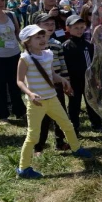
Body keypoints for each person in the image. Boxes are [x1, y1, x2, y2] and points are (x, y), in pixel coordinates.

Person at [15, 24, 92, 179]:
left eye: (43, 36)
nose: (42, 39)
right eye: (37, 37)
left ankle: (76, 148)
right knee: (33, 136)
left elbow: (51, 74)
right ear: (27, 42)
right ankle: (23, 168)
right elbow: (19, 81)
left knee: (67, 125)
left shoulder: (48, 54)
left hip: (52, 98)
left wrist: (62, 79)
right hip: (36, 103)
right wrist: (30, 93)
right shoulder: (25, 58)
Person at [63, 15, 102, 135]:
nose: (79, 30)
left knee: (92, 102)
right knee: (74, 104)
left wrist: (95, 78)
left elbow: (93, 64)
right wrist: (67, 82)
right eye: (75, 28)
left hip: (88, 80)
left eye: (81, 27)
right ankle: (74, 128)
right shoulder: (66, 46)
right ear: (68, 28)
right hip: (74, 81)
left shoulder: (87, 45)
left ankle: (97, 124)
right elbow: (64, 66)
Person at [33, 13, 71, 154]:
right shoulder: (33, 46)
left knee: (60, 114)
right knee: (42, 118)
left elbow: (63, 65)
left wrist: (67, 81)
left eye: (52, 24)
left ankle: (60, 142)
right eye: (46, 24)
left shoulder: (56, 44)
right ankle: (38, 146)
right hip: (40, 87)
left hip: (57, 85)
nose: (50, 27)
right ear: (37, 27)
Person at [0, 0, 26, 123]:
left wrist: (25, 45)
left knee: (15, 85)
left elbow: (17, 33)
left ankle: (19, 111)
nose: (1, 3)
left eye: (2, 0)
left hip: (14, 56)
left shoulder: (11, 15)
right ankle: (2, 115)